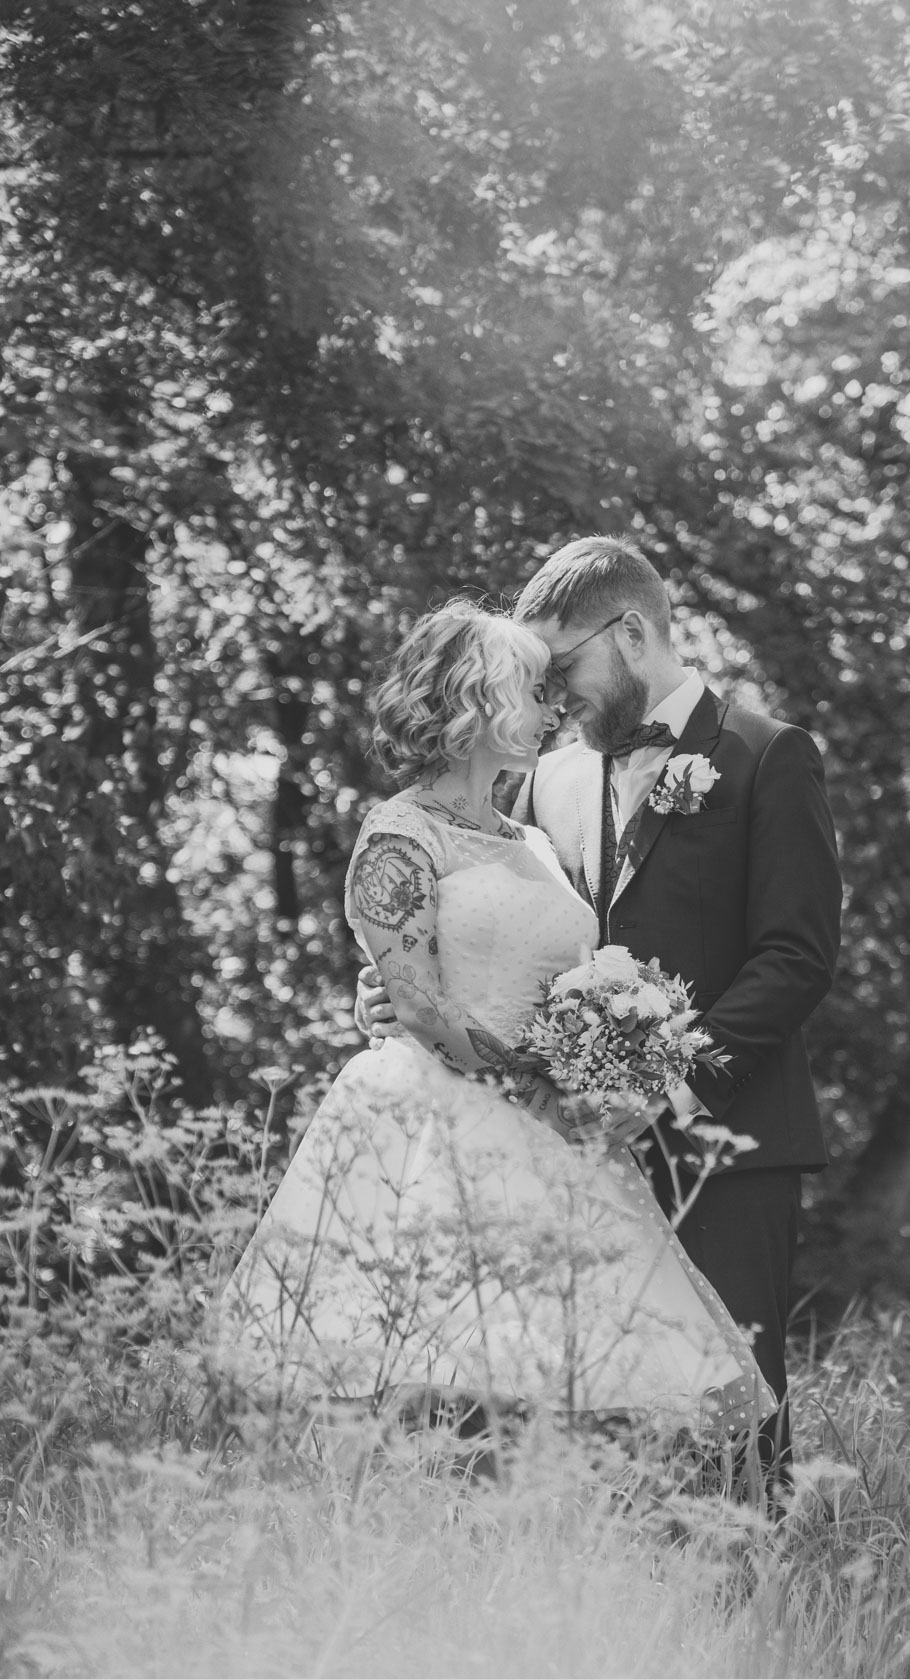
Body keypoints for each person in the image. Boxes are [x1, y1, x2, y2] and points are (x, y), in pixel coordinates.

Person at [221, 597, 771, 1444]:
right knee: (443, 1370)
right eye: (532, 690)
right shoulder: (398, 836)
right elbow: (416, 1001)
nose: (552, 709)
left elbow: (561, 976)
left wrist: (606, 1059)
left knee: (582, 1384)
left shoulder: (530, 839)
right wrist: (537, 1081)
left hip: (554, 1130)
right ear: (479, 702)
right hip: (434, 1119)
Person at [362, 539, 843, 1480]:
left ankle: (750, 1616)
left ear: (630, 634)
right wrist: (400, 985)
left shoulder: (765, 755)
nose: (547, 697)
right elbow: (498, 927)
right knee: (583, 1423)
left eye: (560, 666)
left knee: (731, 1427)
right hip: (564, 1148)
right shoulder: (550, 777)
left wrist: (662, 1082)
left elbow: (796, 958)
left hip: (724, 1143)